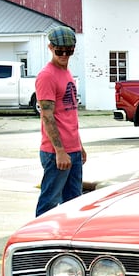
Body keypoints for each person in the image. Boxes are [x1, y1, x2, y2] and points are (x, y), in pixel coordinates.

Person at [35, 25, 86, 216]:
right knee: (49, 203)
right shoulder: (47, 76)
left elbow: (69, 114)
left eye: (69, 51)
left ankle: (66, 242)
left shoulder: (66, 72)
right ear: (50, 48)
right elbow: (48, 117)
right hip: (56, 152)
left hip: (72, 149)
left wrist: (79, 146)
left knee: (74, 203)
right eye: (59, 51)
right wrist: (60, 151)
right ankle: (38, 241)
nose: (64, 54)